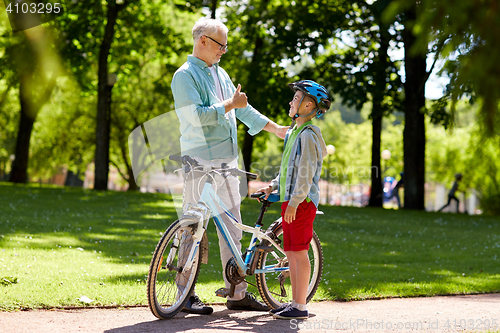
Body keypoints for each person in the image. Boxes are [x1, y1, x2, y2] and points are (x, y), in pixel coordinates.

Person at [171, 18, 288, 315]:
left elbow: (243, 108)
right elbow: (194, 116)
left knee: (232, 228)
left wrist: (276, 129)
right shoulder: (184, 76)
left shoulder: (220, 73)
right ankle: (184, 295)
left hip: (227, 163)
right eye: (220, 44)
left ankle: (237, 293)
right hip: (199, 161)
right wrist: (229, 106)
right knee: (192, 227)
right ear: (203, 41)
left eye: (226, 45)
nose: (224, 50)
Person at [257, 80, 331, 320]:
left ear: (308, 105)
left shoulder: (308, 136)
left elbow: (305, 172)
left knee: (299, 253)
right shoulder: (294, 133)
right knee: (291, 251)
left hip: (301, 202)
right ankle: (295, 304)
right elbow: (289, 167)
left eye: (296, 98)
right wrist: (274, 185)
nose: (291, 101)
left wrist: (296, 201)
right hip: (292, 200)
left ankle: (300, 306)